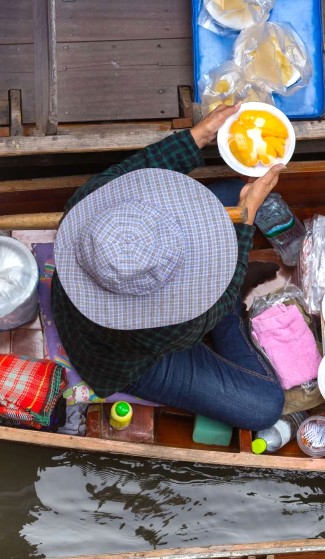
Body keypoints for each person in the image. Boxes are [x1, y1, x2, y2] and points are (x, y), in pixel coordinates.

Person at [51, 103, 286, 431]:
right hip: (124, 360)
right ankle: (233, 317)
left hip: (85, 294)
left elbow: (135, 169)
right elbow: (210, 310)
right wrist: (244, 221)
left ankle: (230, 291)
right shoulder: (164, 327)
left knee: (235, 193)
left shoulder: (86, 201)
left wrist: (197, 137)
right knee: (265, 406)